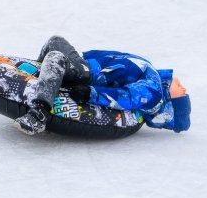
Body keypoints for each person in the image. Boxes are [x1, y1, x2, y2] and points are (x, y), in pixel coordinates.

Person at [13, 36, 191, 136]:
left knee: (55, 57)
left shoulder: (154, 92)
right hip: (87, 64)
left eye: (182, 93)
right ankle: (43, 78)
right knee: (55, 41)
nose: (183, 88)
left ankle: (38, 114)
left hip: (89, 76)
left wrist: (91, 93)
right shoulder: (155, 76)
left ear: (171, 101)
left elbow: (126, 97)